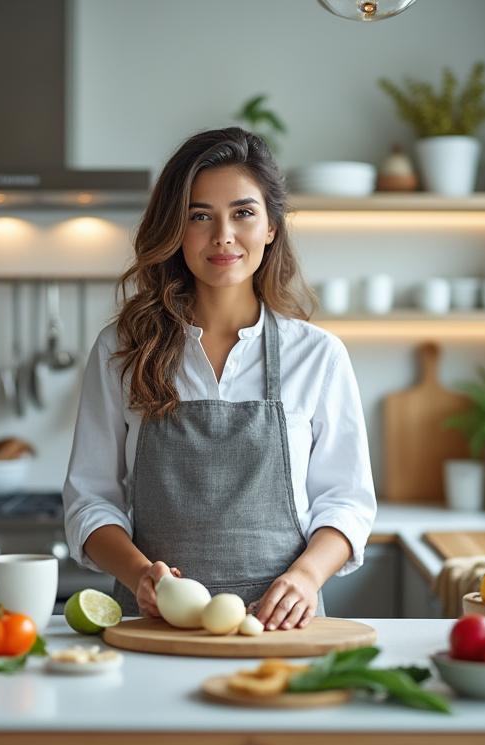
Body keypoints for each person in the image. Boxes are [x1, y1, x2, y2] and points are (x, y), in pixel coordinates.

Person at [62, 127, 376, 631]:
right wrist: (142, 575)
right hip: (153, 627)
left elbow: (347, 501)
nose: (223, 235)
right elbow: (91, 500)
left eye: (243, 213)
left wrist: (306, 578)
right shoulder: (121, 352)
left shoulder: (317, 356)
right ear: (174, 230)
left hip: (279, 629)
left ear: (272, 226)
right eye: (199, 216)